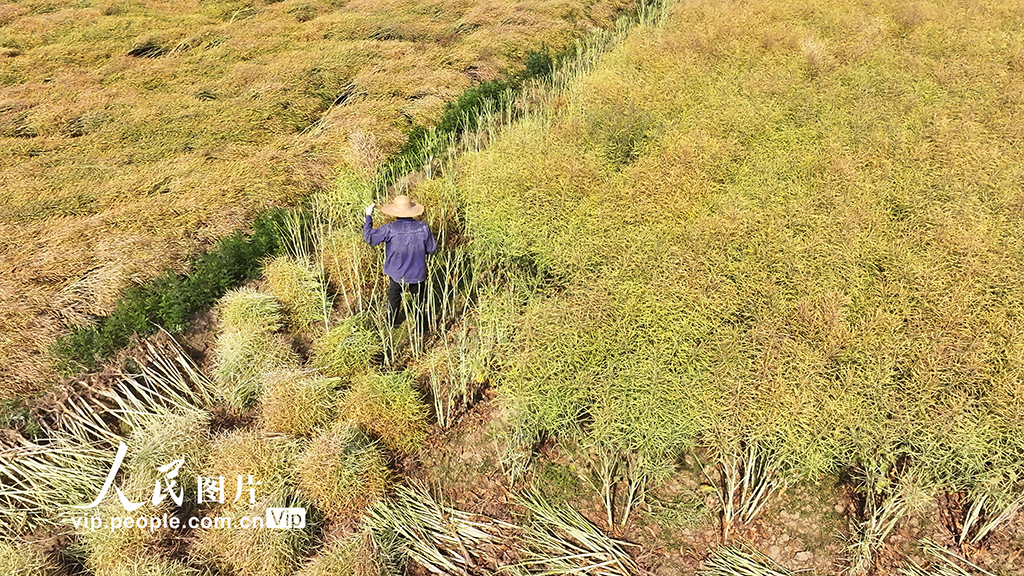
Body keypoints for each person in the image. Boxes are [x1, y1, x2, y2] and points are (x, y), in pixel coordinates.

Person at [363, 194, 437, 330]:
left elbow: (369, 238)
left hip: (396, 273)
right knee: (419, 300)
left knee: (394, 298)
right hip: (417, 272)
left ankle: (390, 326)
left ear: (395, 212)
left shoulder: (389, 228)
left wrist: (368, 216)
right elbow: (431, 249)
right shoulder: (423, 227)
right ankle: (421, 329)